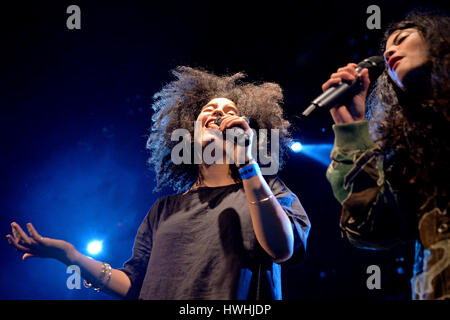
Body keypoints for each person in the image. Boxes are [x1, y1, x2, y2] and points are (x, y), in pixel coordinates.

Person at [7, 66, 310, 300]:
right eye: (210, 110)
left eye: (230, 112)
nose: (219, 112)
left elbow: (283, 249)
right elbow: (131, 284)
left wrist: (247, 164)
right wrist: (70, 256)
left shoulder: (267, 187)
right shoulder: (163, 209)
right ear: (189, 132)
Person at [323, 11, 449, 300]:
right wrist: (350, 127)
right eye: (387, 48)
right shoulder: (409, 150)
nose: (390, 51)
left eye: (402, 39)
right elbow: (373, 230)